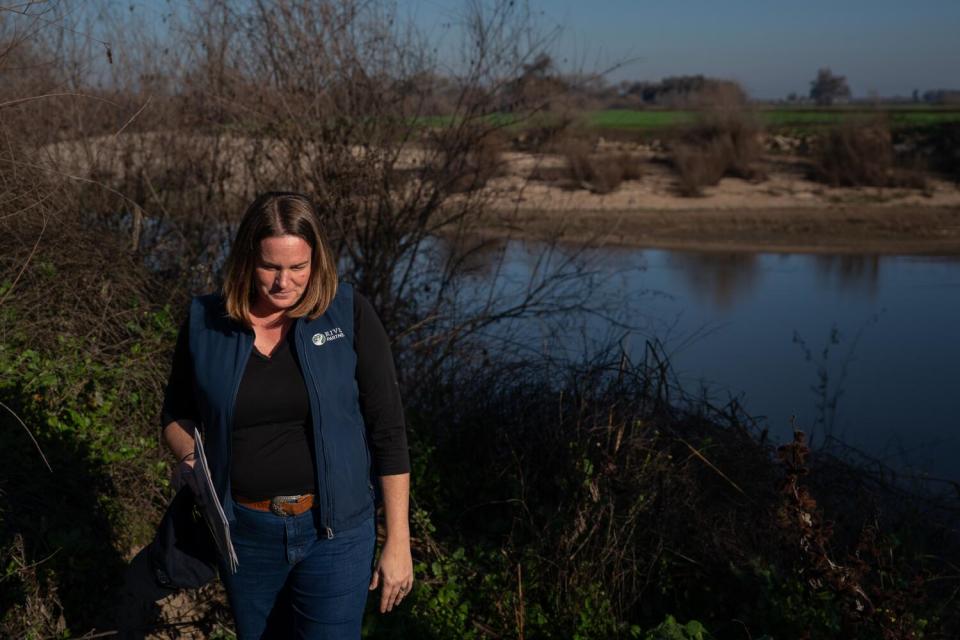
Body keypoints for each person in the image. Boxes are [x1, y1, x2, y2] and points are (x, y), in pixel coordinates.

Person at [160, 192, 413, 639]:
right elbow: (176, 416)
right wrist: (189, 457)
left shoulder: (348, 312)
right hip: (245, 535)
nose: (284, 282)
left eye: (298, 267)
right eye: (270, 267)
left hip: (336, 537)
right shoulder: (205, 323)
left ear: (317, 261)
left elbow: (388, 431)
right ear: (244, 260)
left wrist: (398, 540)